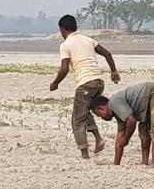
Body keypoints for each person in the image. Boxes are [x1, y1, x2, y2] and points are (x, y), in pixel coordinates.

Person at [48, 14, 120, 158]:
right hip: (99, 82)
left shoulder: (66, 44)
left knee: (77, 120)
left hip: (85, 84)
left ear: (62, 30)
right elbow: (107, 54)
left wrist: (55, 83)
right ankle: (98, 139)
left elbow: (64, 69)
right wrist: (114, 71)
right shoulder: (88, 40)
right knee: (86, 111)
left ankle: (85, 153)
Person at [89, 82, 154, 168]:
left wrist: (127, 138)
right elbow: (119, 142)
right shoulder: (118, 115)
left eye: (99, 115)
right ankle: (145, 161)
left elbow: (131, 120)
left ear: (101, 109)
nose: (100, 118)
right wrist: (116, 164)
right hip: (146, 104)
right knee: (144, 131)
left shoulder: (114, 103)